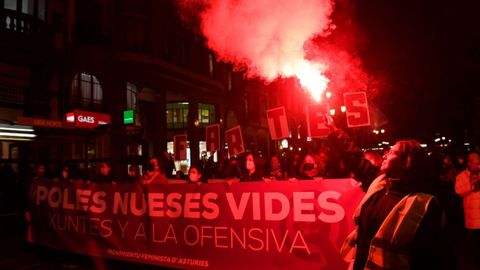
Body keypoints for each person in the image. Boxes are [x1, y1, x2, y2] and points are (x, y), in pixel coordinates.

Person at [326, 118, 452, 269]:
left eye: (392, 152)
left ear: (407, 162)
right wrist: (334, 131)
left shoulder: (425, 205)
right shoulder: (378, 182)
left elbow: (437, 255)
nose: (384, 155)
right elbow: (354, 156)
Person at [455, 152, 480, 263]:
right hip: (471, 215)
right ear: (469, 163)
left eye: (479, 163)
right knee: (474, 242)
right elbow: (459, 192)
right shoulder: (461, 176)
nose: (478, 166)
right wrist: (472, 185)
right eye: (475, 163)